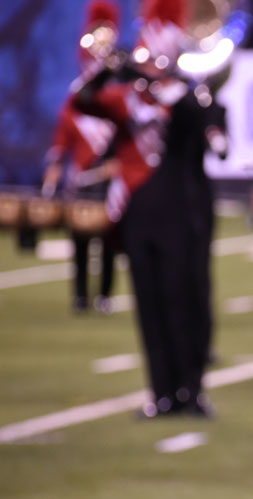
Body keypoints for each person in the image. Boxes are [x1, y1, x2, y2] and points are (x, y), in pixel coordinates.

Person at [72, 0, 227, 418]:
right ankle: (161, 393)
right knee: (150, 304)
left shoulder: (187, 98)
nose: (153, 63)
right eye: (148, 55)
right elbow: (83, 100)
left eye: (160, 56)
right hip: (140, 216)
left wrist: (173, 85)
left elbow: (204, 122)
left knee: (187, 301)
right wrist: (111, 66)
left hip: (184, 216)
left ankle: (191, 392)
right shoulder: (128, 102)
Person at [42, 0, 121, 315]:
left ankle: (104, 294)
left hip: (109, 177)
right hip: (82, 176)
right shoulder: (75, 102)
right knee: (79, 239)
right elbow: (62, 138)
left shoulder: (118, 97)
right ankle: (79, 296)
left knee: (108, 240)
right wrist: (55, 167)